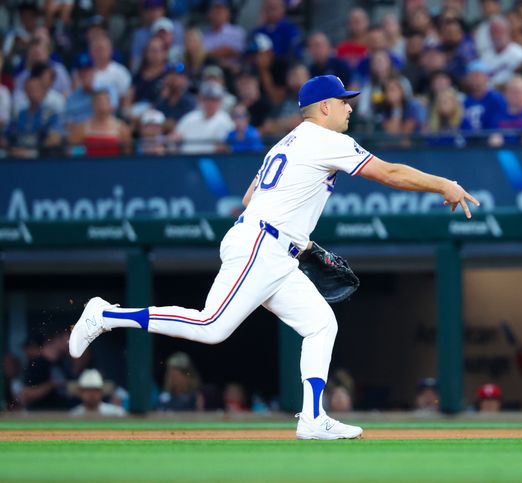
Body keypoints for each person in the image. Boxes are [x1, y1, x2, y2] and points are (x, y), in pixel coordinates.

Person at [69, 74, 478, 440]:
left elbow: (250, 197)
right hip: (261, 246)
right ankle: (105, 315)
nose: (350, 107)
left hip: (275, 249)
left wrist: (296, 236)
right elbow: (387, 173)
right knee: (211, 326)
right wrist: (444, 184)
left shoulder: (289, 140)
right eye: (344, 101)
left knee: (320, 324)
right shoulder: (326, 139)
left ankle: (313, 418)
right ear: (324, 107)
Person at [172, 81, 234, 154]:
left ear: (220, 101)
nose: (210, 103)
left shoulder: (225, 120)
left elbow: (227, 147)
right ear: (200, 99)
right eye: (207, 99)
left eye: (214, 99)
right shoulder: (189, 118)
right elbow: (175, 139)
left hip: (212, 161)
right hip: (186, 160)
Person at [69, 89, 132, 156]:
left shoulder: (121, 128)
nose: (101, 105)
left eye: (105, 101)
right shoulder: (83, 127)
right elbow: (71, 150)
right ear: (93, 104)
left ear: (110, 104)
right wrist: (82, 151)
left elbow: (127, 153)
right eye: (98, 101)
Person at [479, 16, 522, 88]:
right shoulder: (485, 55)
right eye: (493, 33)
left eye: (499, 32)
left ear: (508, 32)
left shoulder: (520, 54)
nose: (496, 36)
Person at [154, 63, 196, 133]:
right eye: (170, 75)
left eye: (178, 76)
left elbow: (186, 125)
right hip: (162, 139)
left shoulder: (189, 101)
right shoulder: (161, 101)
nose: (173, 79)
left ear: (184, 80)